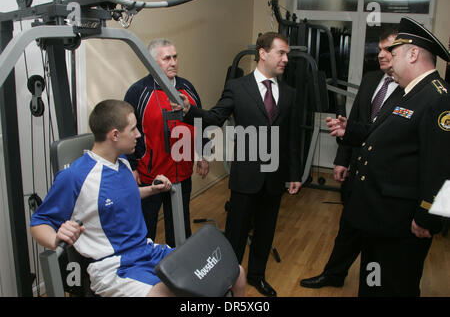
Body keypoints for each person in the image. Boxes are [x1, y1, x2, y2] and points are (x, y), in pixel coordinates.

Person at [30, 99, 246, 297]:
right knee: (170, 294)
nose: (138, 134)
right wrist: (56, 238)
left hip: (147, 250)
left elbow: (124, 197)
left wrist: (153, 189)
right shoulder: (75, 176)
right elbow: (39, 222)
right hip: (113, 267)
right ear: (114, 135)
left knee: (234, 271)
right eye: (133, 129)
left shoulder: (121, 162)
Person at [326, 17, 449, 296]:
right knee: (373, 284)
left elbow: (445, 168)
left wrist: (429, 218)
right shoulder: (410, 93)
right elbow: (386, 135)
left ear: (414, 53)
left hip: (403, 224)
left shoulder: (437, 98)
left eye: (394, 54)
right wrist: (351, 130)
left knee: (394, 286)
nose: (388, 61)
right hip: (381, 217)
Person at [173, 32, 302, 297]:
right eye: (281, 53)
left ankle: (257, 276)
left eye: (287, 54)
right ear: (263, 53)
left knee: (266, 231)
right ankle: (226, 280)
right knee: (236, 233)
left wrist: (295, 174)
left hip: (275, 175)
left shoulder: (289, 93)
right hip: (246, 175)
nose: (286, 59)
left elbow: (292, 136)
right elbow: (214, 117)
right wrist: (189, 111)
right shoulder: (238, 87)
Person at [300, 28, 404, 289]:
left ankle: (374, 284)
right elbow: (355, 121)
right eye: (379, 49)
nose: (380, 55)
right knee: (348, 229)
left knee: (376, 240)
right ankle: (333, 275)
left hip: (385, 176)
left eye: (387, 49)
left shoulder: (410, 90)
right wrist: (341, 159)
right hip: (358, 168)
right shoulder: (371, 80)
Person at [124, 39, 209, 247]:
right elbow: (128, 132)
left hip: (182, 175)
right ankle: (145, 273)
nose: (173, 62)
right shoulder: (138, 92)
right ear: (153, 63)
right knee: (146, 231)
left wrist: (203, 154)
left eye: (175, 57)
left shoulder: (187, 88)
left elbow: (200, 122)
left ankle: (179, 272)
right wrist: (133, 166)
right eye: (166, 58)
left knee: (180, 231)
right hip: (149, 177)